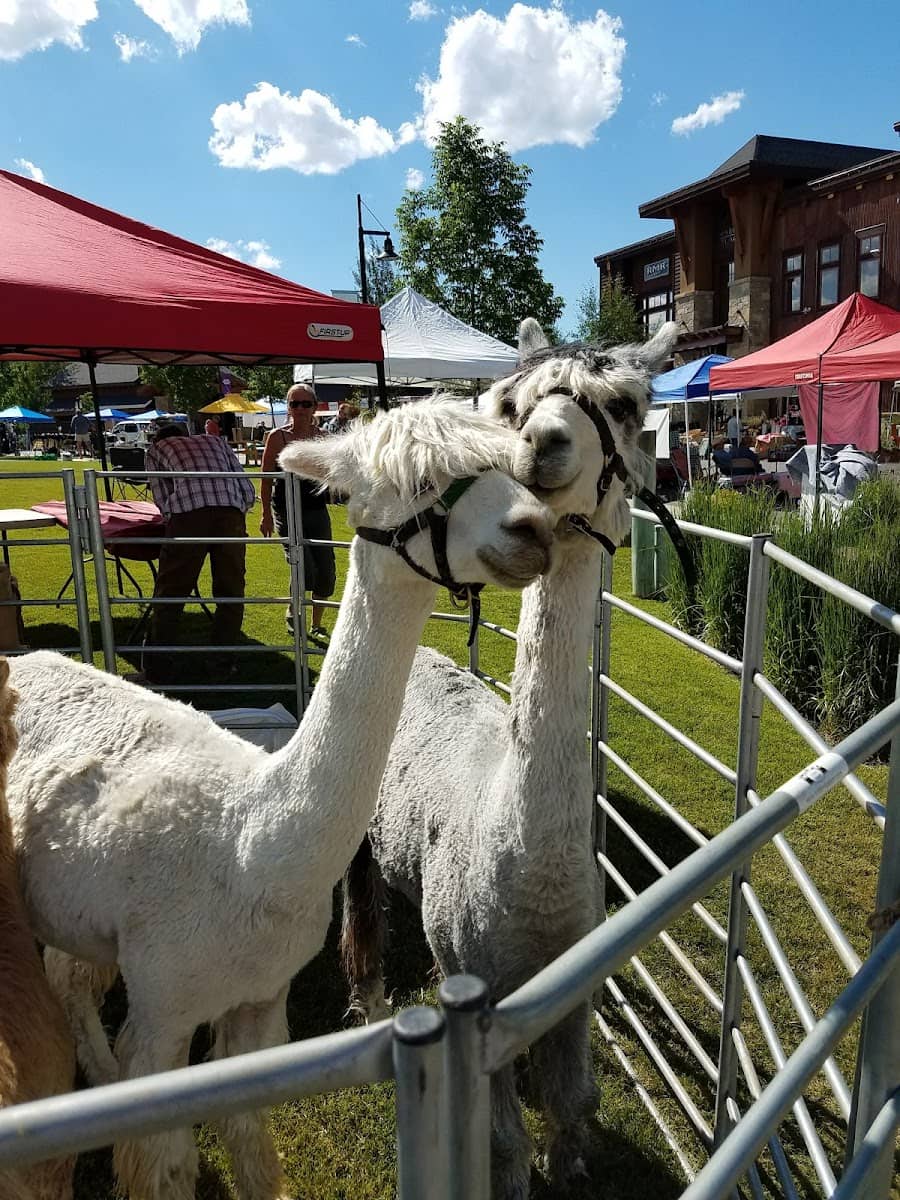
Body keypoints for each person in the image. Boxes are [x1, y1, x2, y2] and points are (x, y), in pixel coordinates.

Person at [137, 424, 256, 684]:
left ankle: (158, 670)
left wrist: (175, 515)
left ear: (159, 439)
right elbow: (245, 485)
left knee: (170, 592)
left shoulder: (156, 450)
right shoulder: (217, 441)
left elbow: (161, 493)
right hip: (231, 514)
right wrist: (235, 511)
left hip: (189, 516)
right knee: (230, 591)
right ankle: (222, 664)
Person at [260, 383, 336, 645]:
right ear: (289, 407)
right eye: (295, 404)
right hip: (287, 509)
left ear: (315, 407)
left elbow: (331, 474)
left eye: (306, 404)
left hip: (316, 508)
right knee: (302, 566)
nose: (300, 409)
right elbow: (266, 477)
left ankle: (316, 624)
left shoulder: (323, 437)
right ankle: (295, 613)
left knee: (326, 568)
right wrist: (265, 514)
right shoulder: (277, 437)